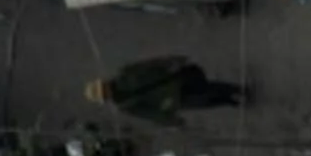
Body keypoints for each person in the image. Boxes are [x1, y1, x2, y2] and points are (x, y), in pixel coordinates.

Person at [85, 54, 243, 124]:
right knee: (205, 101)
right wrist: (171, 120)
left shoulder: (124, 74)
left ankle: (236, 90)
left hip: (173, 80)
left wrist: (172, 61)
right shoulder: (124, 105)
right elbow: (148, 114)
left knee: (207, 87)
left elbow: (149, 64)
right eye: (104, 94)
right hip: (172, 100)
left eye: (104, 89)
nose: (107, 92)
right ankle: (229, 100)